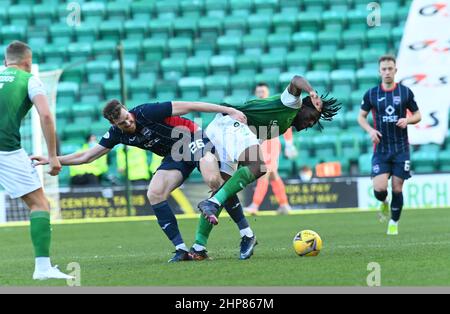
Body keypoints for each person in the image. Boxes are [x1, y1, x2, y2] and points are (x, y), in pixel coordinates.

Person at [33, 99, 255, 262]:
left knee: (213, 181)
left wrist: (228, 110)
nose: (128, 122)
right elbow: (87, 156)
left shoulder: (147, 111)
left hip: (193, 138)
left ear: (127, 109)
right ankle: (181, 249)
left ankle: (246, 234)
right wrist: (52, 159)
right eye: (122, 122)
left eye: (127, 116)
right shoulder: (117, 134)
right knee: (154, 193)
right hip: (174, 155)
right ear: (114, 123)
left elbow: (190, 106)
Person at [192, 75, 341, 259]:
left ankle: (200, 247)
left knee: (223, 190)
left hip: (225, 128)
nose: (310, 124)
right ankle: (213, 205)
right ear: (305, 105)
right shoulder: (292, 104)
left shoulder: (284, 125)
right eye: (312, 118)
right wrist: (311, 91)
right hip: (229, 123)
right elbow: (296, 80)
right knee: (258, 166)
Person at [0, 41, 72, 280]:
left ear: (6, 60)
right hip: (5, 149)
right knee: (40, 205)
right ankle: (42, 268)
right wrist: (53, 157)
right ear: (28, 62)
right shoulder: (30, 79)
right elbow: (46, 115)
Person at [358, 55, 421, 235]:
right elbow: (360, 117)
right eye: (384, 69)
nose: (387, 72)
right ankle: (384, 203)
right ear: (379, 71)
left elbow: (418, 115)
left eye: (390, 69)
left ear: (395, 70)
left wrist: (407, 120)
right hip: (381, 149)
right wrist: (370, 130)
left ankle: (393, 222)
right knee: (379, 189)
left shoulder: (405, 92)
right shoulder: (371, 94)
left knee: (397, 187)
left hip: (401, 149)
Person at [244, 83, 298, 216]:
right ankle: (284, 204)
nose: (261, 94)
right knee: (273, 175)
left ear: (267, 92)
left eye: (263, 91)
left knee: (264, 171)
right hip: (259, 142)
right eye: (259, 91)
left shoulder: (274, 104)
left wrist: (289, 144)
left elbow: (285, 123)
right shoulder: (254, 106)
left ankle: (255, 206)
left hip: (271, 143)